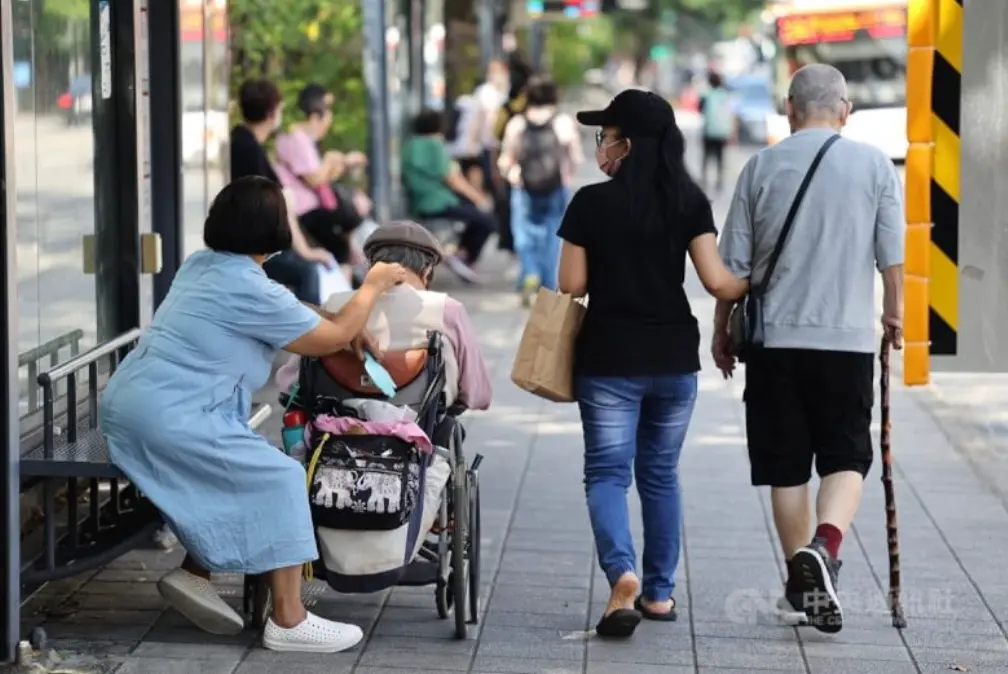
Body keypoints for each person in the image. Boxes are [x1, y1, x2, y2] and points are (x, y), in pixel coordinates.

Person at [99, 176, 407, 652]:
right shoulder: (246, 286)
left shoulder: (205, 265)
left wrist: (339, 325)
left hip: (136, 403)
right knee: (280, 476)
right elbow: (319, 335)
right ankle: (289, 619)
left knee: (239, 467)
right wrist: (372, 286)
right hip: (171, 415)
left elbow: (289, 311)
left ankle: (195, 572)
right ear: (274, 230)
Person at [712, 63, 905, 634]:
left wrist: (721, 329)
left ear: (789, 108)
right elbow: (891, 255)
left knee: (786, 466)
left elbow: (734, 269)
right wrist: (893, 313)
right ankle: (824, 548)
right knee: (847, 458)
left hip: (774, 343)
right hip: (845, 343)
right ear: (845, 110)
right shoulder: (873, 165)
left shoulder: (760, 166)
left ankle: (802, 588)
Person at [559, 89, 749, 638]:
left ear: (627, 142)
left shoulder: (590, 204)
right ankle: (659, 595)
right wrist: (760, 278)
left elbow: (571, 285)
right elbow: (718, 282)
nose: (602, 146)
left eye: (605, 135)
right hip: (672, 359)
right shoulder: (688, 201)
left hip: (609, 357)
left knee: (607, 473)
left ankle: (623, 573)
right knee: (660, 475)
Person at [276, 219, 493, 412]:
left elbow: (290, 383)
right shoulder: (447, 309)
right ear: (427, 271)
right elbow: (478, 394)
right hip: (421, 426)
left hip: (335, 423)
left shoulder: (336, 304)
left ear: (371, 266)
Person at [230, 78, 333, 304]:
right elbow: (281, 201)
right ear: (271, 112)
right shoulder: (249, 149)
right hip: (252, 249)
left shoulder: (243, 141)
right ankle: (310, 336)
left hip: (250, 245)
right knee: (307, 271)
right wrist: (305, 251)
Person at [498, 75, 582, 304]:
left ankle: (530, 272)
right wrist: (567, 175)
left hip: (524, 187)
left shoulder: (517, 123)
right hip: (556, 186)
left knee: (524, 233)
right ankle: (547, 284)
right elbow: (575, 157)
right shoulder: (562, 122)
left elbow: (506, 160)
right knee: (553, 233)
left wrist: (513, 175)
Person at [274, 83, 367, 265]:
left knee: (349, 222)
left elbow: (319, 177)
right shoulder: (295, 138)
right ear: (315, 116)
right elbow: (315, 179)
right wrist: (330, 160)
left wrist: (341, 163)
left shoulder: (301, 139)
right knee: (348, 223)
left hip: (309, 205)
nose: (325, 126)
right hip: (304, 207)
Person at [400, 109, 496, 284]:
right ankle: (463, 256)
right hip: (438, 203)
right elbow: (452, 179)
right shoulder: (434, 146)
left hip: (420, 203)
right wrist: (478, 198)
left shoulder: (410, 146)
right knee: (486, 221)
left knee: (474, 215)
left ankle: (459, 254)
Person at [492, 55, 535, 256]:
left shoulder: (506, 109)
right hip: (541, 168)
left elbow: (494, 139)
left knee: (518, 216)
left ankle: (521, 259)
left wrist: (495, 169)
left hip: (513, 170)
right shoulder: (536, 106)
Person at [699, 70, 734, 192]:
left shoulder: (706, 95)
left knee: (706, 157)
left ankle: (704, 180)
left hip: (709, 131)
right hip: (722, 131)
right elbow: (730, 113)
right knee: (720, 158)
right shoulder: (725, 95)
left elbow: (700, 109)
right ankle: (719, 181)